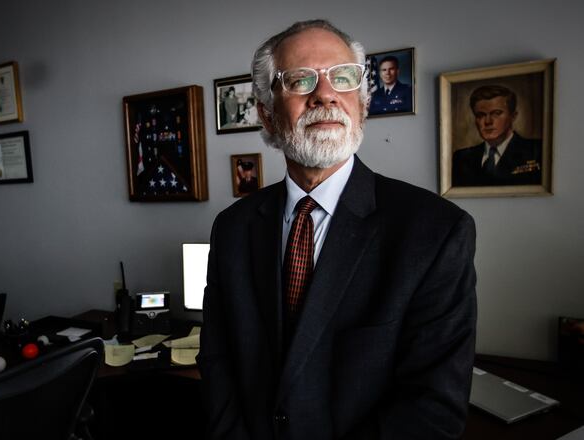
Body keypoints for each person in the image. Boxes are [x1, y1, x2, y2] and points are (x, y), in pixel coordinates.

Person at [198, 19, 476, 440]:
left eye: (342, 78)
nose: (324, 93)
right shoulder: (232, 227)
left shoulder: (435, 232)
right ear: (267, 115)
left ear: (362, 104)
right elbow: (218, 361)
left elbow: (431, 408)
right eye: (299, 80)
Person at [452, 85, 542, 186]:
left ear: (513, 116)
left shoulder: (537, 151)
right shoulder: (461, 158)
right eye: (480, 115)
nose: (488, 121)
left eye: (496, 113)